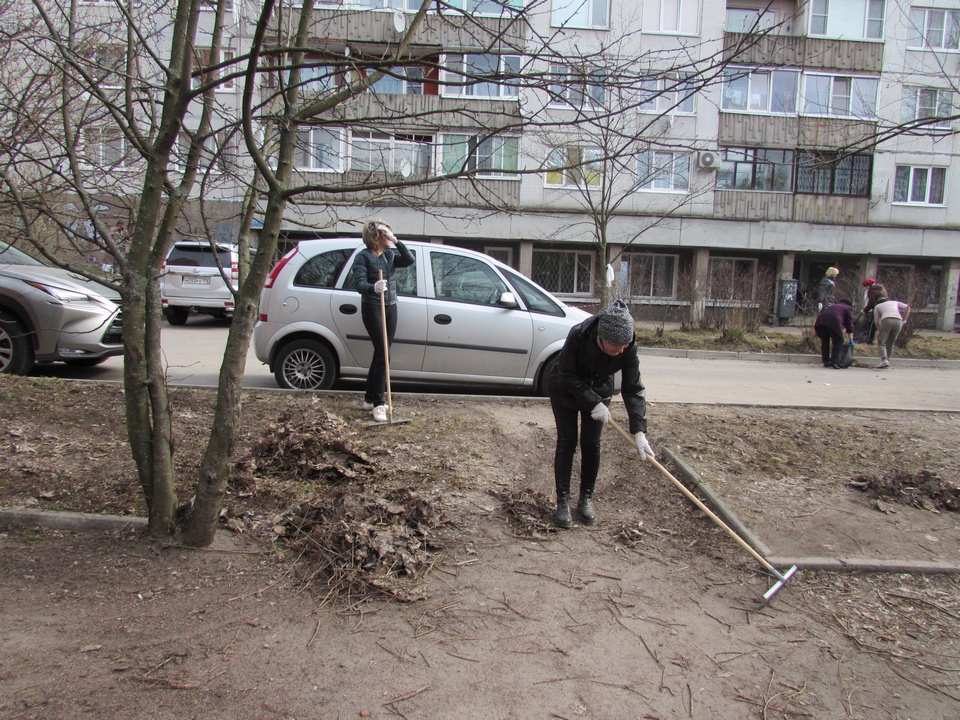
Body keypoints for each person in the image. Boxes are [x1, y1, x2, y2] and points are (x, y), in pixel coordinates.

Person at [546, 300, 653, 528]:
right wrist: (593, 402)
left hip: (599, 389)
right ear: (602, 338)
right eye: (616, 347)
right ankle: (562, 501)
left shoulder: (627, 345)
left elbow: (633, 387)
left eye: (624, 346)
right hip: (565, 388)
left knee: (591, 444)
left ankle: (586, 498)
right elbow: (566, 373)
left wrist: (639, 430)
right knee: (567, 441)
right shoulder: (579, 335)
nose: (620, 351)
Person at [351, 219, 415, 422]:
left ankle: (369, 398)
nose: (389, 237)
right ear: (376, 237)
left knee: (381, 353)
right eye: (385, 234)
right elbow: (359, 282)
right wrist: (373, 287)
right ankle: (379, 404)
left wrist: (397, 241)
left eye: (390, 234)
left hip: (390, 306)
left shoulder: (388, 255)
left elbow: (409, 260)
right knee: (383, 356)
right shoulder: (363, 257)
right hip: (372, 307)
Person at [813, 298, 855, 368]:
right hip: (834, 322)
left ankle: (826, 361)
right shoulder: (848, 308)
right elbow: (849, 325)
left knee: (825, 340)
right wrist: (851, 339)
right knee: (839, 341)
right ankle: (834, 362)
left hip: (820, 322)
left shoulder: (834, 306)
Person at [873, 295, 910, 369]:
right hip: (898, 321)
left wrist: (879, 329)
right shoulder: (895, 302)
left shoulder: (877, 306)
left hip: (886, 320)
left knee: (881, 342)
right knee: (891, 342)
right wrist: (904, 319)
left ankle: (884, 360)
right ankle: (887, 360)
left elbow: (876, 321)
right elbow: (907, 307)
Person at [859, 278, 888, 345]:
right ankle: (884, 340)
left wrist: (865, 310)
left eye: (866, 287)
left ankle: (869, 340)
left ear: (868, 285)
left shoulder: (871, 291)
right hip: (886, 307)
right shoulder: (882, 288)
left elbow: (871, 302)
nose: (866, 288)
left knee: (873, 324)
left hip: (878, 308)